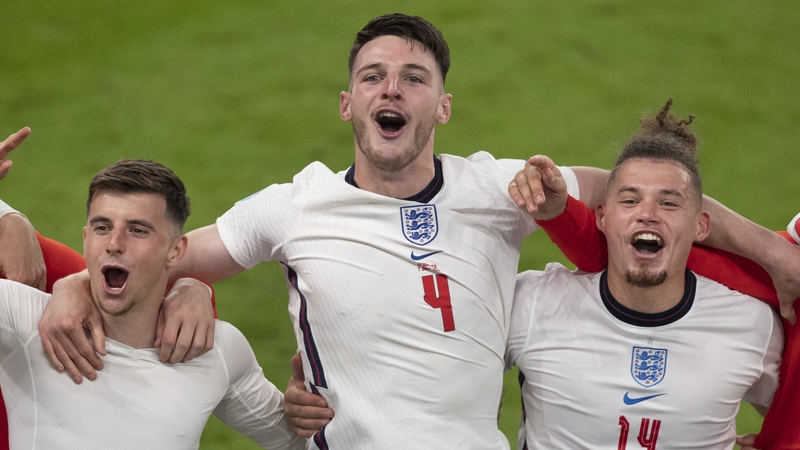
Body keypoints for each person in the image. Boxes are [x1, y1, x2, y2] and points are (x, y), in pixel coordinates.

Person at [30, 14, 800, 449]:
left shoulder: (499, 186)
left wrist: (771, 250)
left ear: (442, 107)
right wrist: (88, 282)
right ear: (347, 104)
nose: (391, 88)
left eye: (413, 78)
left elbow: (645, 191)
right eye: (373, 77)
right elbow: (143, 258)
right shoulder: (291, 206)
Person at [505, 101, 782, 448]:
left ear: (701, 226)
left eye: (669, 203)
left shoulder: (752, 324)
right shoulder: (531, 303)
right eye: (630, 200)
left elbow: (785, 411)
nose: (647, 214)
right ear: (602, 217)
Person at [0, 159, 304, 449]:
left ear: (176, 251)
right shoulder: (25, 319)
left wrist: (303, 409)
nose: (114, 243)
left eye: (137, 230)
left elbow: (297, 442)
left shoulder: (216, 349)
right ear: (85, 239)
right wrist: (7, 216)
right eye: (102, 227)